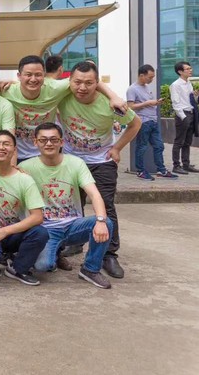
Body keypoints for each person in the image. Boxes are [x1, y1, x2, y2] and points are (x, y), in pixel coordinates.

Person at [58, 61, 140, 279]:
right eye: (77, 82)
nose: (82, 87)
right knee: (71, 205)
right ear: (69, 81)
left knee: (105, 206)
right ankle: (75, 243)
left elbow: (136, 124)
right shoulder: (62, 95)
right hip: (71, 160)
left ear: (97, 83)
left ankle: (109, 254)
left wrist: (117, 147)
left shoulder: (111, 104)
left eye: (89, 83)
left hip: (101, 161)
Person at [21, 123, 114, 289]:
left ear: (61, 142)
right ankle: (55, 253)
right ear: (35, 142)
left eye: (53, 140)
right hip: (46, 230)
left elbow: (94, 194)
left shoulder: (76, 163)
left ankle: (90, 269)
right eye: (43, 140)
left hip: (73, 226)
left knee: (106, 222)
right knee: (43, 266)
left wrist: (100, 220)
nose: (48, 144)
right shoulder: (25, 167)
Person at [0, 130, 49, 286]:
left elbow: (37, 217)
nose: (1, 147)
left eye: (6, 144)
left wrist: (5, 231)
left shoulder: (24, 179)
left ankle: (18, 269)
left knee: (40, 232)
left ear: (14, 150)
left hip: (13, 232)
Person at [126, 64, 176, 179]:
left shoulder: (146, 87)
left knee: (159, 146)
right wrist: (147, 103)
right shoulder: (132, 89)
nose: (152, 79)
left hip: (153, 121)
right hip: (143, 121)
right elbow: (130, 107)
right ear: (141, 75)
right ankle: (140, 171)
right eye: (150, 77)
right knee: (142, 147)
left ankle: (161, 170)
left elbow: (147, 103)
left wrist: (156, 102)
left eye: (153, 77)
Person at [169, 61, 198, 175]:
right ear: (180, 71)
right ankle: (176, 166)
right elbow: (176, 103)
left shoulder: (188, 83)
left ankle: (186, 164)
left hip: (191, 113)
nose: (190, 70)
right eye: (188, 69)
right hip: (183, 115)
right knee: (179, 141)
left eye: (190, 68)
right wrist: (183, 117)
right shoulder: (175, 85)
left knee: (187, 141)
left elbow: (190, 100)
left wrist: (195, 96)